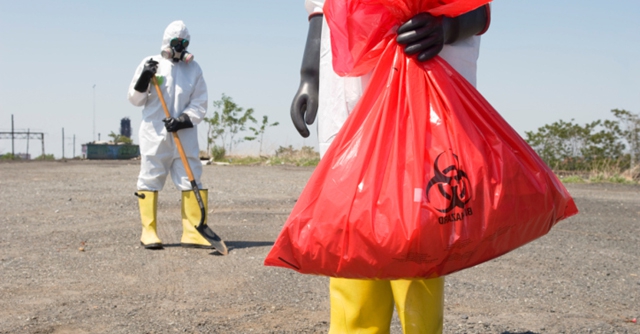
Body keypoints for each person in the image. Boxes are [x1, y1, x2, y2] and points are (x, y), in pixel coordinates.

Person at [290, 1, 490, 333]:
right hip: (348, 90)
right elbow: (321, 11)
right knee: (351, 225)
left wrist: (447, 29)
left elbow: (479, 9)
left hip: (415, 86)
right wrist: (309, 75)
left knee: (416, 223)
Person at [128, 20, 213, 250]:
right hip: (155, 133)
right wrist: (144, 78)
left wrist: (183, 120)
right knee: (150, 177)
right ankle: (149, 231)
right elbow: (135, 100)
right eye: (176, 43)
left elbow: (200, 102)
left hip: (183, 135)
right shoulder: (150, 63)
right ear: (166, 42)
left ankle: (193, 232)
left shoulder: (193, 69)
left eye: (184, 43)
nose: (179, 47)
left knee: (191, 176)